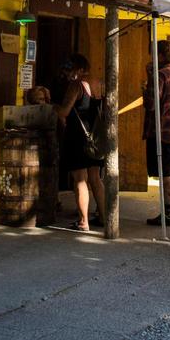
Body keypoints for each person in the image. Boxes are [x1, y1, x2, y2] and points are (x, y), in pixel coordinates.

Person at [54, 55, 106, 232]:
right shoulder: (100, 84)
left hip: (78, 137)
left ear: (79, 69)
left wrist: (53, 107)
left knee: (80, 180)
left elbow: (65, 111)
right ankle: (104, 216)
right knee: (96, 178)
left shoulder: (77, 85)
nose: (69, 74)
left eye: (71, 70)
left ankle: (83, 221)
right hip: (95, 137)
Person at [142, 39, 170, 225]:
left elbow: (152, 103)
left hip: (161, 131)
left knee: (164, 173)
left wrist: (146, 88)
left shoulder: (160, 75)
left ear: (160, 55)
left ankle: (168, 213)